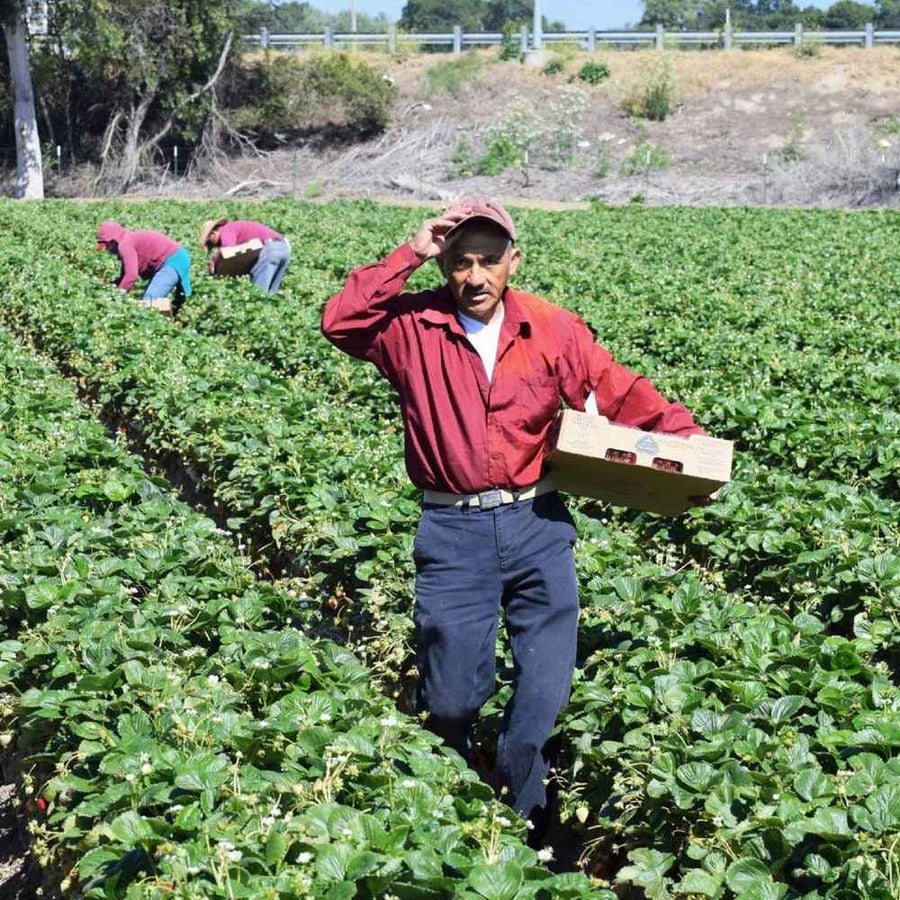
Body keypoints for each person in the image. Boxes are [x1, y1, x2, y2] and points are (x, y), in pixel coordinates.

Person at [320, 197, 709, 838]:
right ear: (443, 265)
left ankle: (525, 823)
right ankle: (452, 799)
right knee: (452, 699)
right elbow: (340, 321)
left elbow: (617, 390)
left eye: (489, 261)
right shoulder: (412, 328)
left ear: (513, 261)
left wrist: (689, 449)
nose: (475, 276)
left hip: (537, 524)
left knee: (542, 696)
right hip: (454, 531)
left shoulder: (552, 328)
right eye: (460, 262)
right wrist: (408, 253)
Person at [95, 221, 192, 305]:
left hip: (173, 260)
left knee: (150, 300)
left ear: (112, 241)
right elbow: (125, 275)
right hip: (177, 257)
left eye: (106, 246)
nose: (107, 250)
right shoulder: (127, 240)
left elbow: (131, 276)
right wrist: (111, 286)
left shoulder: (124, 245)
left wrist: (118, 296)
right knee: (176, 302)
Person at [199, 218, 291, 294]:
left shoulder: (226, 230)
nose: (214, 246)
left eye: (210, 243)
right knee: (271, 293)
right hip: (284, 248)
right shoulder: (235, 228)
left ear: (213, 234)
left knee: (259, 293)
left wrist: (214, 261)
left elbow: (227, 251)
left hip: (270, 249)